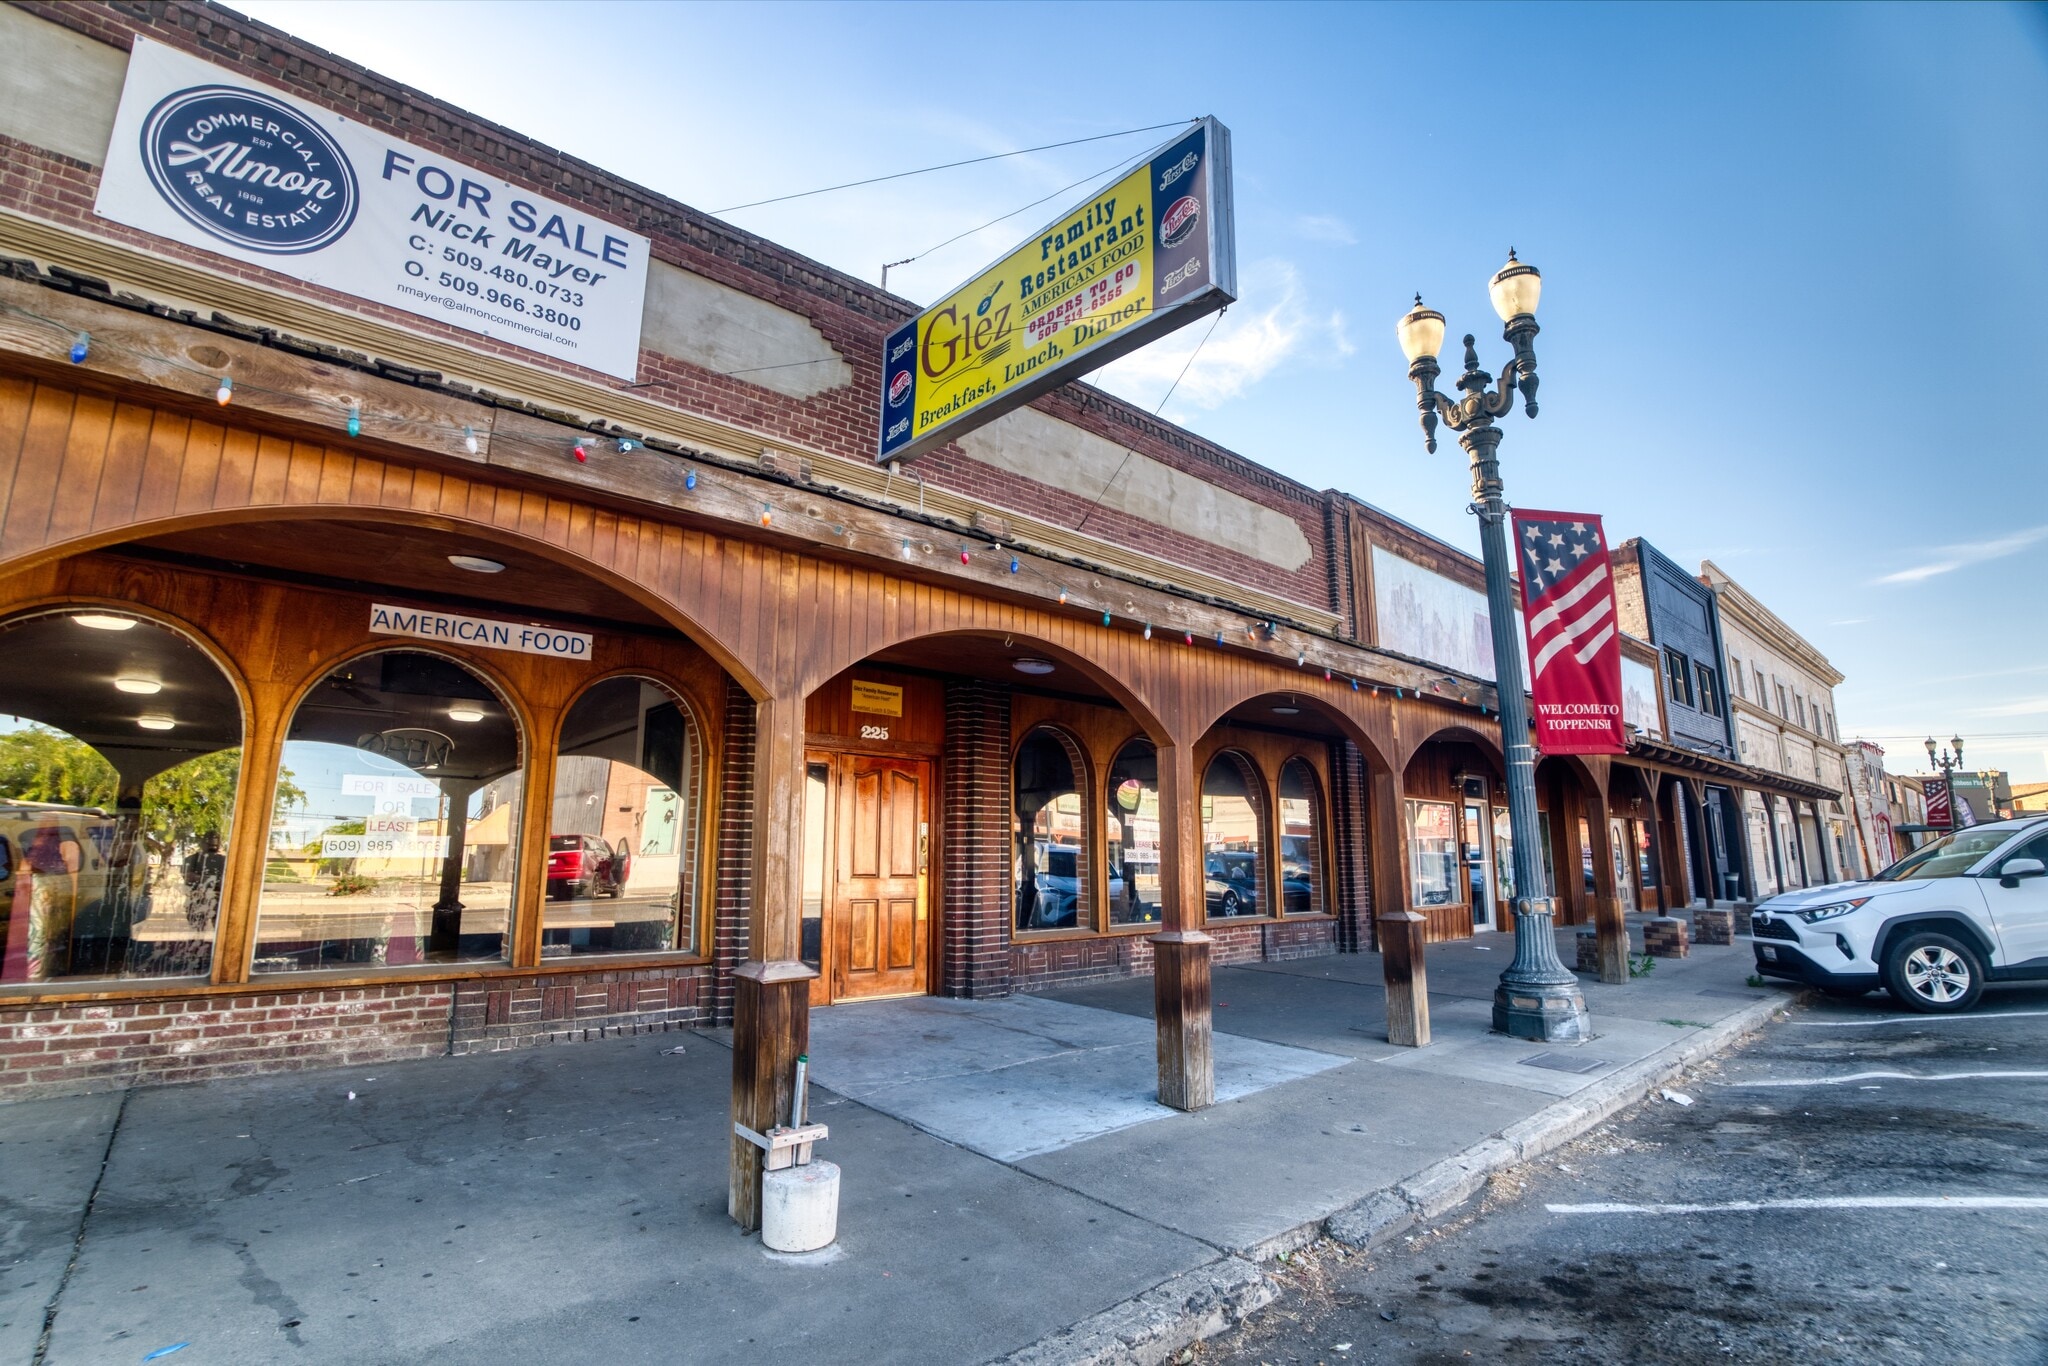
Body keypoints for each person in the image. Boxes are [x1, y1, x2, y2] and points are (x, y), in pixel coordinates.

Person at [24, 821, 82, 981]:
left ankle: (38, 973)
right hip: (53, 891)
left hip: (43, 891)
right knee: (50, 933)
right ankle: (45, 971)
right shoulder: (67, 847)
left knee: (42, 933)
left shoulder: (43, 850)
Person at [182, 830, 226, 930]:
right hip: (198, 898)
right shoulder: (192, 859)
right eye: (210, 841)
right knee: (197, 930)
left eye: (214, 841)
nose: (212, 844)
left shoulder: (224, 860)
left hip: (216, 899)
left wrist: (202, 878)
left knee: (218, 930)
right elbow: (188, 877)